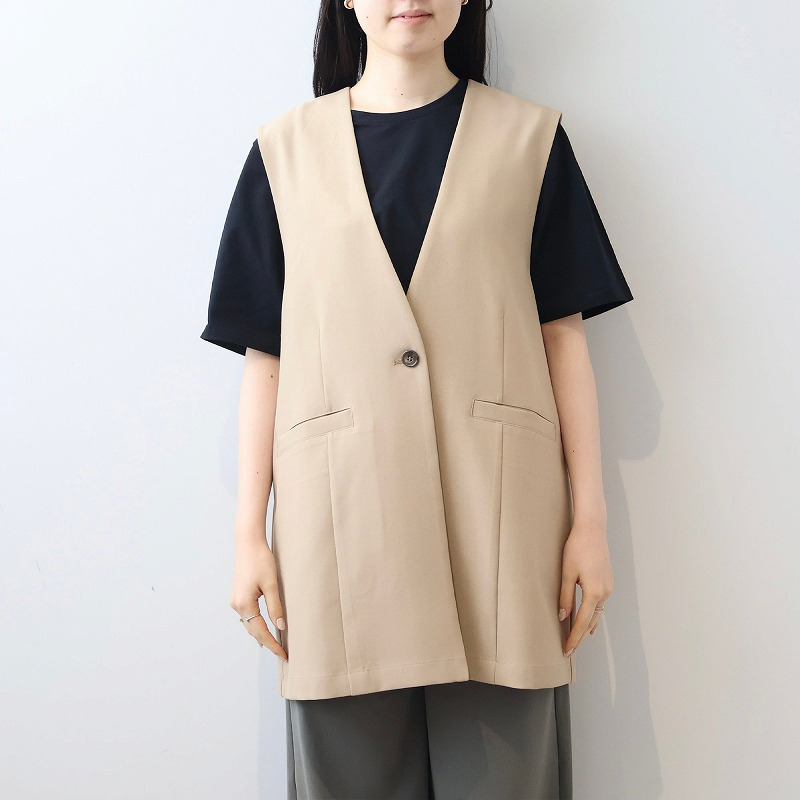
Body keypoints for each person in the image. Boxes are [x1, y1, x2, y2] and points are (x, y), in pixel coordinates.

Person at [201, 1, 633, 797]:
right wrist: (247, 536)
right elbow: (266, 356)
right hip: (339, 530)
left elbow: (563, 337)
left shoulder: (530, 140)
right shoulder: (284, 153)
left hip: (502, 526)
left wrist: (591, 523)